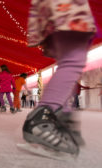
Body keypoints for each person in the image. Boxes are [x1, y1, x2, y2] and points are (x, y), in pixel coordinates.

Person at [21, 0, 97, 157]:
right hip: (65, 5)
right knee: (73, 60)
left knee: (67, 60)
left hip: (55, 6)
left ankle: (63, 118)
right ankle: (41, 121)